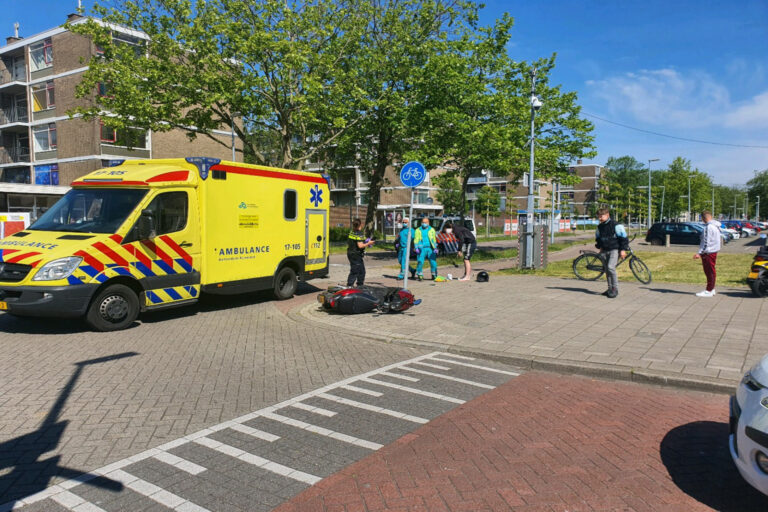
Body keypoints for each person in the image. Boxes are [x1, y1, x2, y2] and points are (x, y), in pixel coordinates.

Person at [595, 208, 629, 298]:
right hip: (604, 250)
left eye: (601, 216)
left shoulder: (616, 225)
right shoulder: (600, 227)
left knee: (610, 267)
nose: (599, 218)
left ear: (607, 215)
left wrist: (622, 250)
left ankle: (615, 288)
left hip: (614, 249)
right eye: (598, 216)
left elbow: (624, 238)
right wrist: (600, 247)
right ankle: (609, 288)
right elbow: (598, 238)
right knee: (607, 270)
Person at [694, 210, 721, 297]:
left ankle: (709, 290)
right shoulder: (715, 226)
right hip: (713, 251)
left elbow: (706, 242)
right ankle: (711, 288)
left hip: (708, 252)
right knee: (711, 271)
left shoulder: (708, 228)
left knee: (709, 271)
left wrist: (700, 253)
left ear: (703, 218)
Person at [346, 218, 374, 287]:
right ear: (360, 225)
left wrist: (365, 241)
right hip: (356, 254)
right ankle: (350, 285)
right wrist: (368, 243)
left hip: (351, 253)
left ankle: (360, 285)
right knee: (355, 270)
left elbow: (355, 242)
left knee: (361, 270)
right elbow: (360, 246)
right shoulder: (359, 234)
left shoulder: (352, 232)